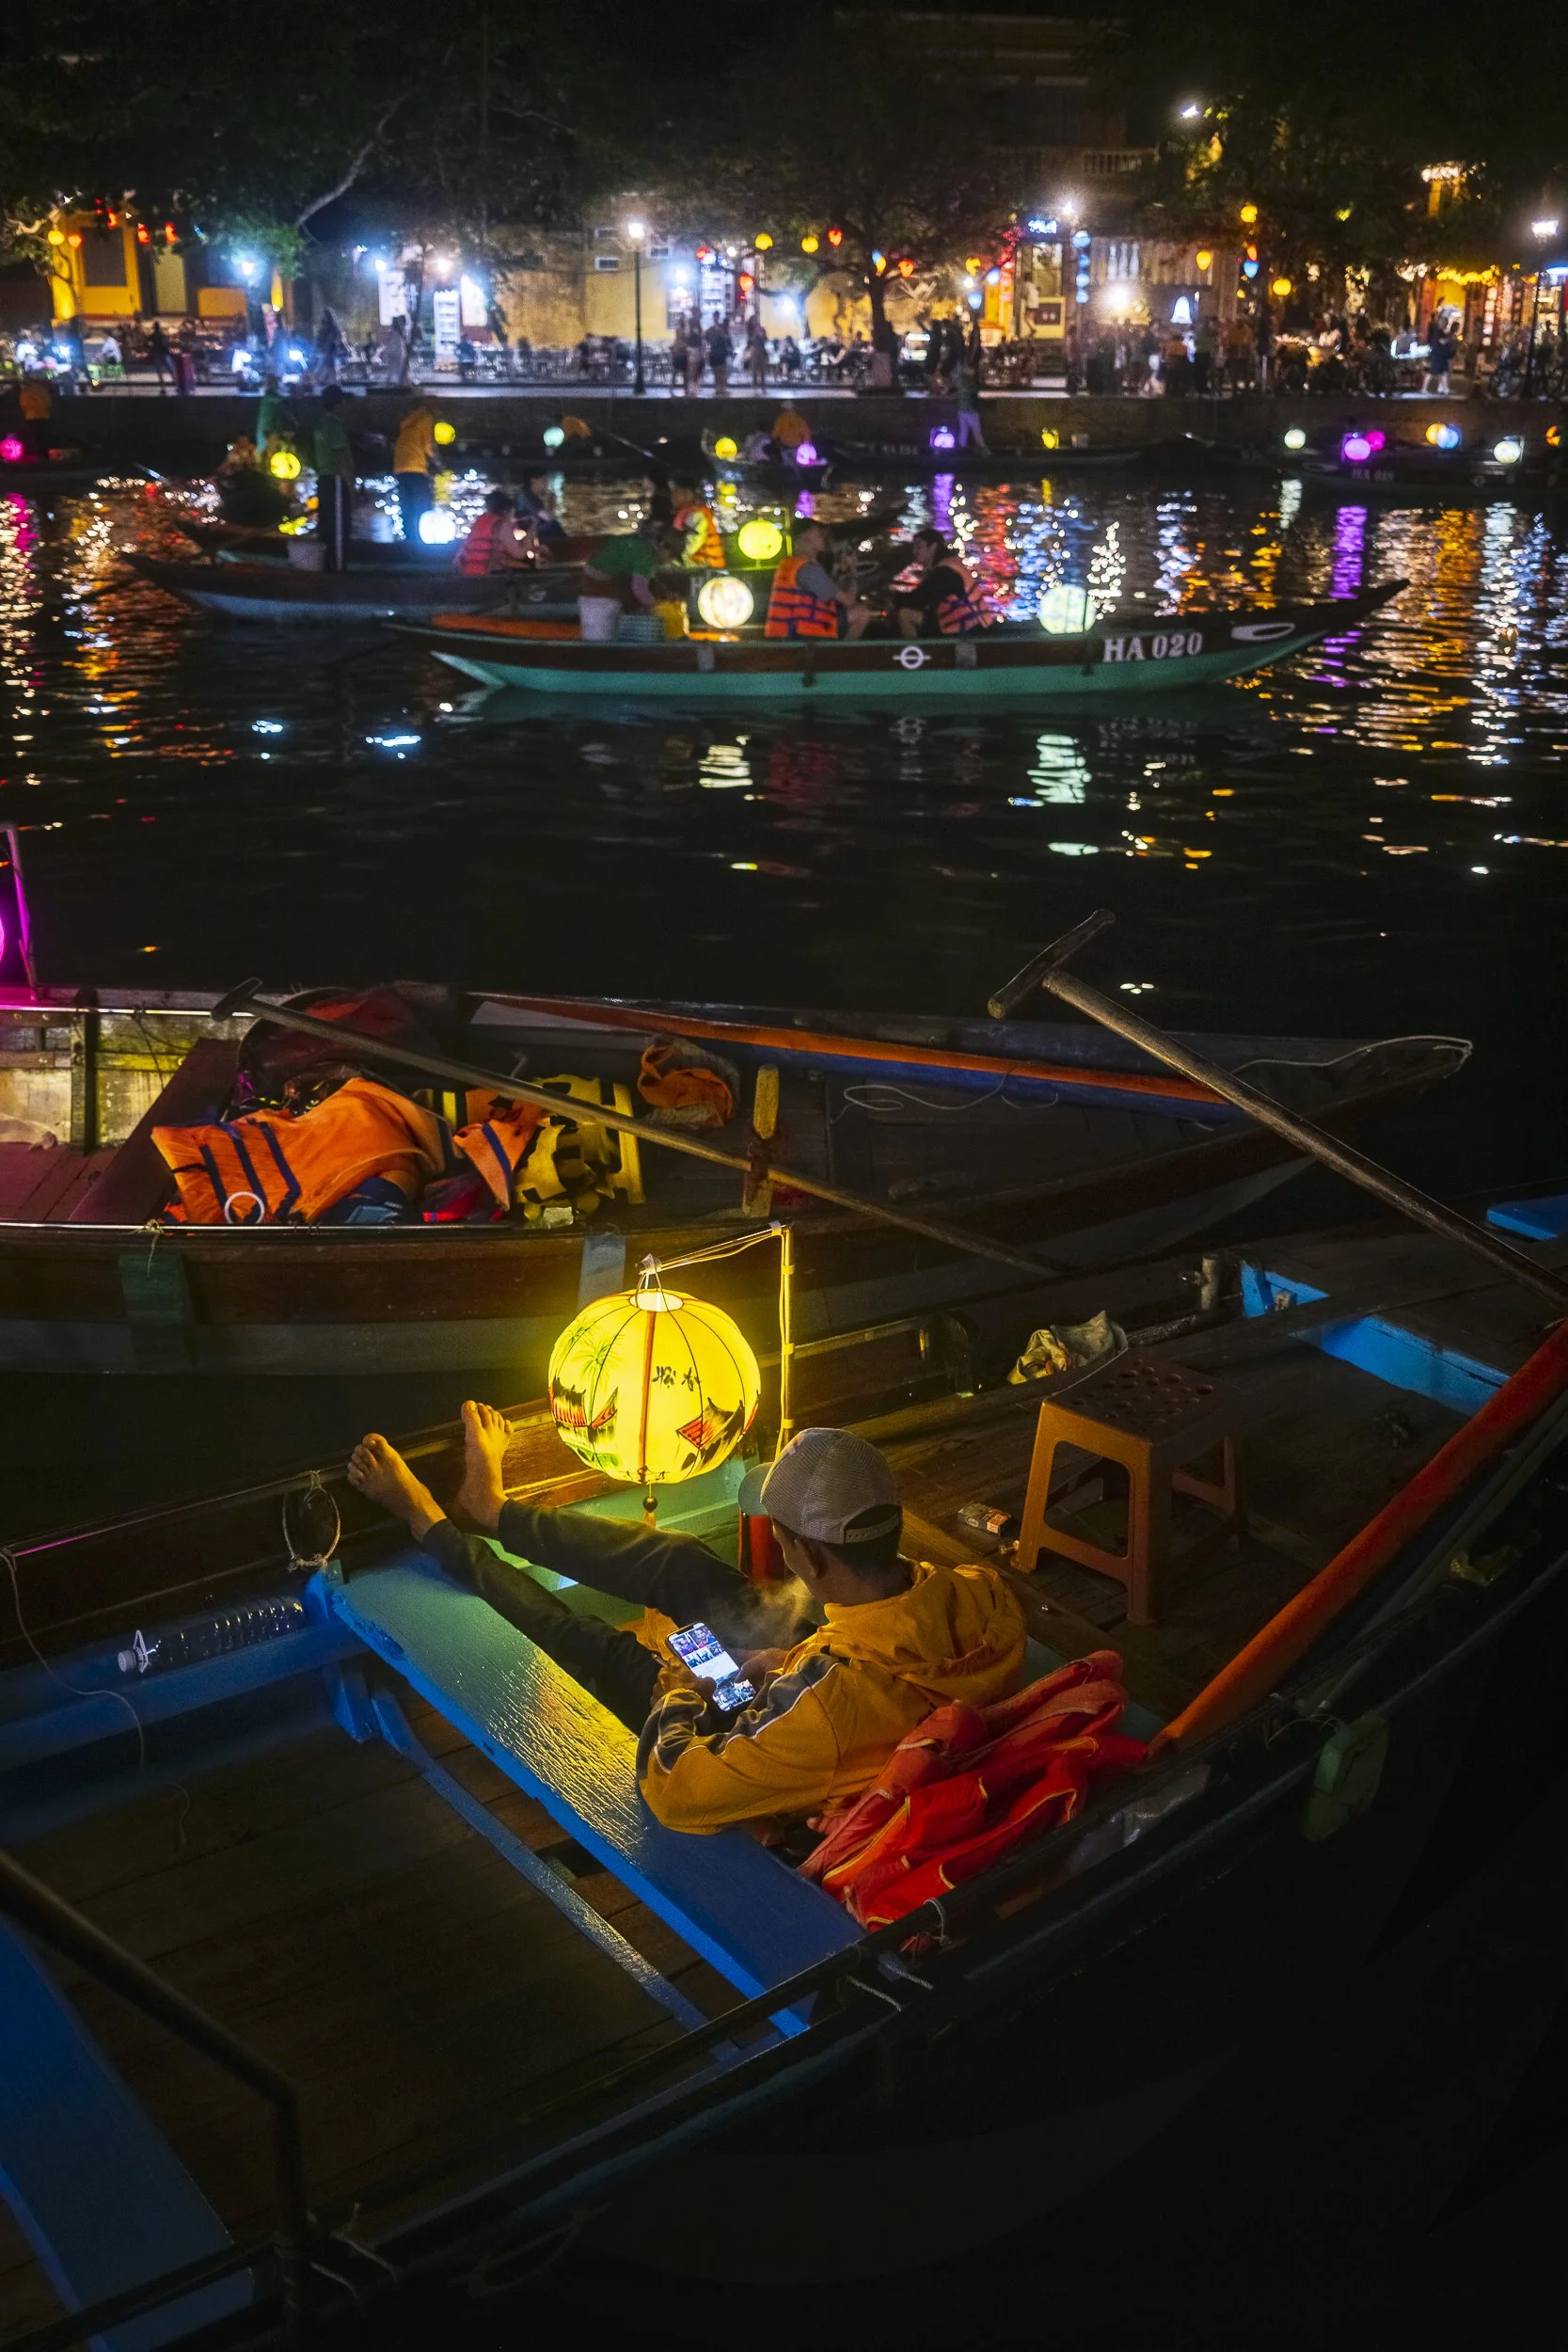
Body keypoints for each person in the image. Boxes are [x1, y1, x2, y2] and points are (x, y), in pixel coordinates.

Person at [348, 1410, 1027, 1834]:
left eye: (783, 1538)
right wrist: (776, 1665)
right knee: (681, 1567)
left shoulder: (823, 1705)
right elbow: (856, 1667)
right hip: (801, 1687)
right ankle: (493, 1511)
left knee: (584, 1641)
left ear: (808, 1556)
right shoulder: (976, 1591)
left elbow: (676, 1792)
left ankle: (429, 1525)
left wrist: (679, 1686)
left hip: (751, 1728)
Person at [765, 516, 874, 640]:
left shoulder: (790, 564)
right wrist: (853, 572)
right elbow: (848, 600)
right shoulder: (809, 569)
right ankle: (842, 655)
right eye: (818, 533)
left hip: (788, 631)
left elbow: (826, 596)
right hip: (805, 633)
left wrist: (839, 572)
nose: (823, 537)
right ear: (806, 538)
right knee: (861, 613)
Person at [891, 527, 986, 637]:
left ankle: (914, 653)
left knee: (905, 615)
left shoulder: (944, 571)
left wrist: (894, 600)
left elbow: (920, 598)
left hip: (963, 627)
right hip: (963, 623)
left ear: (932, 547)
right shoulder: (948, 566)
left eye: (918, 546)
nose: (914, 551)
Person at [312, 385, 356, 571]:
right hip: (337, 481)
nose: (347, 406)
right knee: (339, 527)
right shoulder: (335, 425)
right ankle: (338, 571)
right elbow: (341, 459)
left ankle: (325, 565)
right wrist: (351, 487)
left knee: (327, 525)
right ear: (337, 404)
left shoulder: (320, 424)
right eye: (344, 402)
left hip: (324, 479)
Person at [392, 395, 438, 542]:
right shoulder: (426, 418)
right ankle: (421, 542)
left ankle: (408, 539)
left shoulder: (409, 420)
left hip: (400, 467)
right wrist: (440, 464)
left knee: (406, 505)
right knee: (422, 504)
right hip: (416, 467)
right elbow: (428, 446)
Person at [455, 488, 530, 574]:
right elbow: (519, 554)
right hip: (488, 576)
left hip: (468, 573)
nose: (512, 518)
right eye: (512, 513)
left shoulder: (479, 521)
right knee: (528, 569)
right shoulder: (501, 525)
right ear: (506, 511)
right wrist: (530, 535)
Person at [672, 478, 724, 567]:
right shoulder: (689, 513)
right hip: (699, 568)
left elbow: (689, 546)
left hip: (703, 569)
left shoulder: (696, 515)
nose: (672, 496)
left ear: (687, 494)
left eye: (676, 492)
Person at [515, 468, 566, 548]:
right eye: (544, 480)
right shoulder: (527, 496)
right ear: (533, 480)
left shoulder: (532, 497)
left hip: (533, 530)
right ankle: (566, 546)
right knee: (553, 525)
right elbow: (548, 517)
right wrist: (552, 502)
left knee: (552, 526)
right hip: (527, 532)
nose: (546, 484)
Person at [953, 345, 987, 449]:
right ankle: (984, 451)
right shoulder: (971, 385)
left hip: (962, 410)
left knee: (964, 431)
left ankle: (961, 451)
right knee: (976, 432)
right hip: (971, 410)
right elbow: (975, 394)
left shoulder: (960, 383)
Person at [705, 317, 732, 396]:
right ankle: (721, 388)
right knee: (721, 372)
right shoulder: (723, 335)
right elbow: (727, 344)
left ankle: (719, 388)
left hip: (715, 355)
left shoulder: (712, 333)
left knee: (718, 372)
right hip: (719, 355)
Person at [147, 318, 173, 394]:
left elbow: (148, 344)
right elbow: (167, 344)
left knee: (160, 372)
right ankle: (178, 385)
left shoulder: (152, 336)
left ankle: (163, 388)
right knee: (171, 370)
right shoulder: (163, 335)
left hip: (157, 355)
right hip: (165, 354)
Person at [745, 317, 768, 392]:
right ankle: (755, 386)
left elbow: (765, 339)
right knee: (754, 369)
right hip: (754, 351)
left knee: (762, 370)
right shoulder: (751, 331)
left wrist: (761, 334)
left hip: (761, 351)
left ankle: (763, 386)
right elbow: (750, 341)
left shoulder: (762, 329)